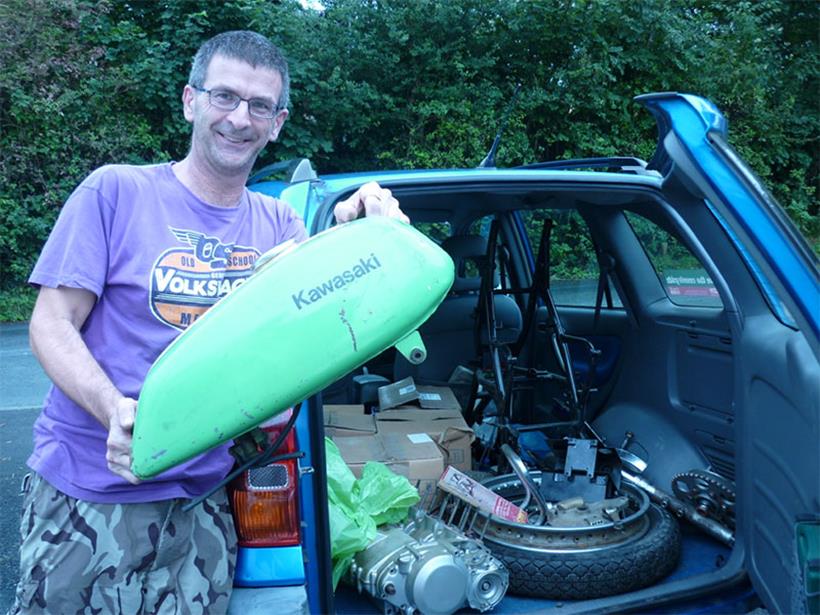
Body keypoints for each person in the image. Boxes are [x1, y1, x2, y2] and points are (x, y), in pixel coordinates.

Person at [11, 30, 406, 614]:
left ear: (278, 122)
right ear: (191, 101)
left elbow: (323, 326)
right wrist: (112, 410)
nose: (239, 118)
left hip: (204, 505)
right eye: (224, 96)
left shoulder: (279, 228)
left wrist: (359, 230)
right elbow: (51, 324)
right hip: (87, 495)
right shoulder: (116, 191)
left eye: (260, 106)